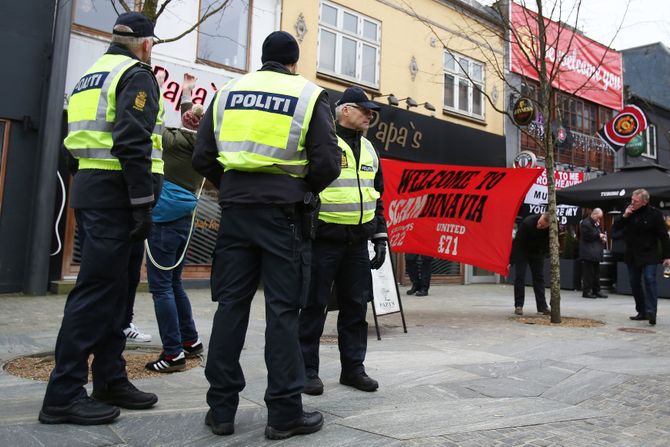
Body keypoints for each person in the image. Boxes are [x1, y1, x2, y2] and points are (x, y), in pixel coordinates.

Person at [192, 31, 341, 439]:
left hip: (236, 213)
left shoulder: (229, 91)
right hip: (283, 216)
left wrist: (234, 186)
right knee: (283, 311)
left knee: (231, 308)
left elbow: (202, 154)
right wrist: (303, 188)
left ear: (262, 58)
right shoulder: (308, 95)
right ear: (294, 61)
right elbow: (328, 161)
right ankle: (284, 412)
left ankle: (221, 410)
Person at [39, 12, 162, 425]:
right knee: (95, 295)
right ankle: (63, 394)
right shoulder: (137, 74)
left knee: (117, 292)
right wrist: (143, 201)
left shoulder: (90, 75)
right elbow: (131, 139)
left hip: (96, 191)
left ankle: (109, 378)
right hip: (119, 197)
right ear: (146, 44)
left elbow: (73, 140)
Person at [298, 87, 387, 397]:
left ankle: (353, 368)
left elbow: (378, 195)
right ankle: (307, 370)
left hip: (357, 244)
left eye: (372, 111)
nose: (370, 115)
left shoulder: (371, 149)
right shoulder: (324, 143)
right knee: (313, 307)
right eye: (364, 110)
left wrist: (380, 237)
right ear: (344, 111)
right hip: (323, 239)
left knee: (355, 308)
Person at [144, 74, 205, 373]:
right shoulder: (200, 146)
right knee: (175, 282)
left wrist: (153, 85)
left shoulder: (171, 140)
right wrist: (187, 91)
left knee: (161, 288)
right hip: (182, 220)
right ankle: (190, 340)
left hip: (163, 220)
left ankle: (172, 354)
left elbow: (151, 118)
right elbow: (188, 115)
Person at [612, 189, 670, 325]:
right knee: (634, 282)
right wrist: (625, 216)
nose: (632, 203)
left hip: (649, 253)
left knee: (649, 280)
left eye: (635, 201)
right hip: (632, 254)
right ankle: (642, 311)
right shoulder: (629, 212)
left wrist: (667, 256)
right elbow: (616, 228)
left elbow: (663, 236)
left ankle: (651, 312)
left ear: (644, 202)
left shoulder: (655, 214)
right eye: (632, 200)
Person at [510, 212, 551, 316]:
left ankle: (542, 307)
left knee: (539, 278)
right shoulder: (528, 222)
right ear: (540, 217)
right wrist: (512, 260)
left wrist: (544, 253)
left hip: (537, 252)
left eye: (542, 226)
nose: (539, 226)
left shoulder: (552, 228)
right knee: (520, 276)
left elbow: (548, 243)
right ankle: (518, 305)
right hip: (522, 250)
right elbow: (517, 242)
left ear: (548, 225)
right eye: (539, 223)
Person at [579, 208, 608, 298]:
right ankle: (587, 291)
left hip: (595, 252)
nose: (599, 220)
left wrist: (602, 238)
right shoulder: (586, 223)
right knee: (589, 274)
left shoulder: (596, 223)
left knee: (596, 273)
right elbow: (588, 235)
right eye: (598, 217)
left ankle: (596, 290)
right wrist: (599, 235)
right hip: (588, 252)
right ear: (594, 214)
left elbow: (597, 232)